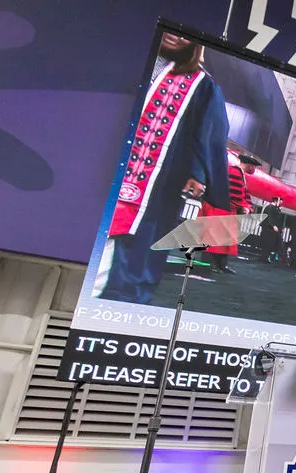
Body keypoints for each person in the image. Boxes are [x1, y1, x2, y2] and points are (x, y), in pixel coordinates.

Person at [96, 33, 230, 304]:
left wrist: (198, 173)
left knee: (135, 252)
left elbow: (205, 134)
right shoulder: (124, 57)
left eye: (187, 34)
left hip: (157, 183)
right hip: (101, 170)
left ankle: (119, 305)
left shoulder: (200, 84)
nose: (176, 36)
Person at [259, 196, 284, 263]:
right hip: (268, 228)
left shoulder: (276, 208)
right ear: (276, 201)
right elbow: (269, 217)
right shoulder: (270, 207)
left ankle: (267, 257)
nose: (281, 203)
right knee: (267, 243)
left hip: (273, 229)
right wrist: (272, 225)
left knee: (272, 244)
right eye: (280, 201)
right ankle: (264, 258)